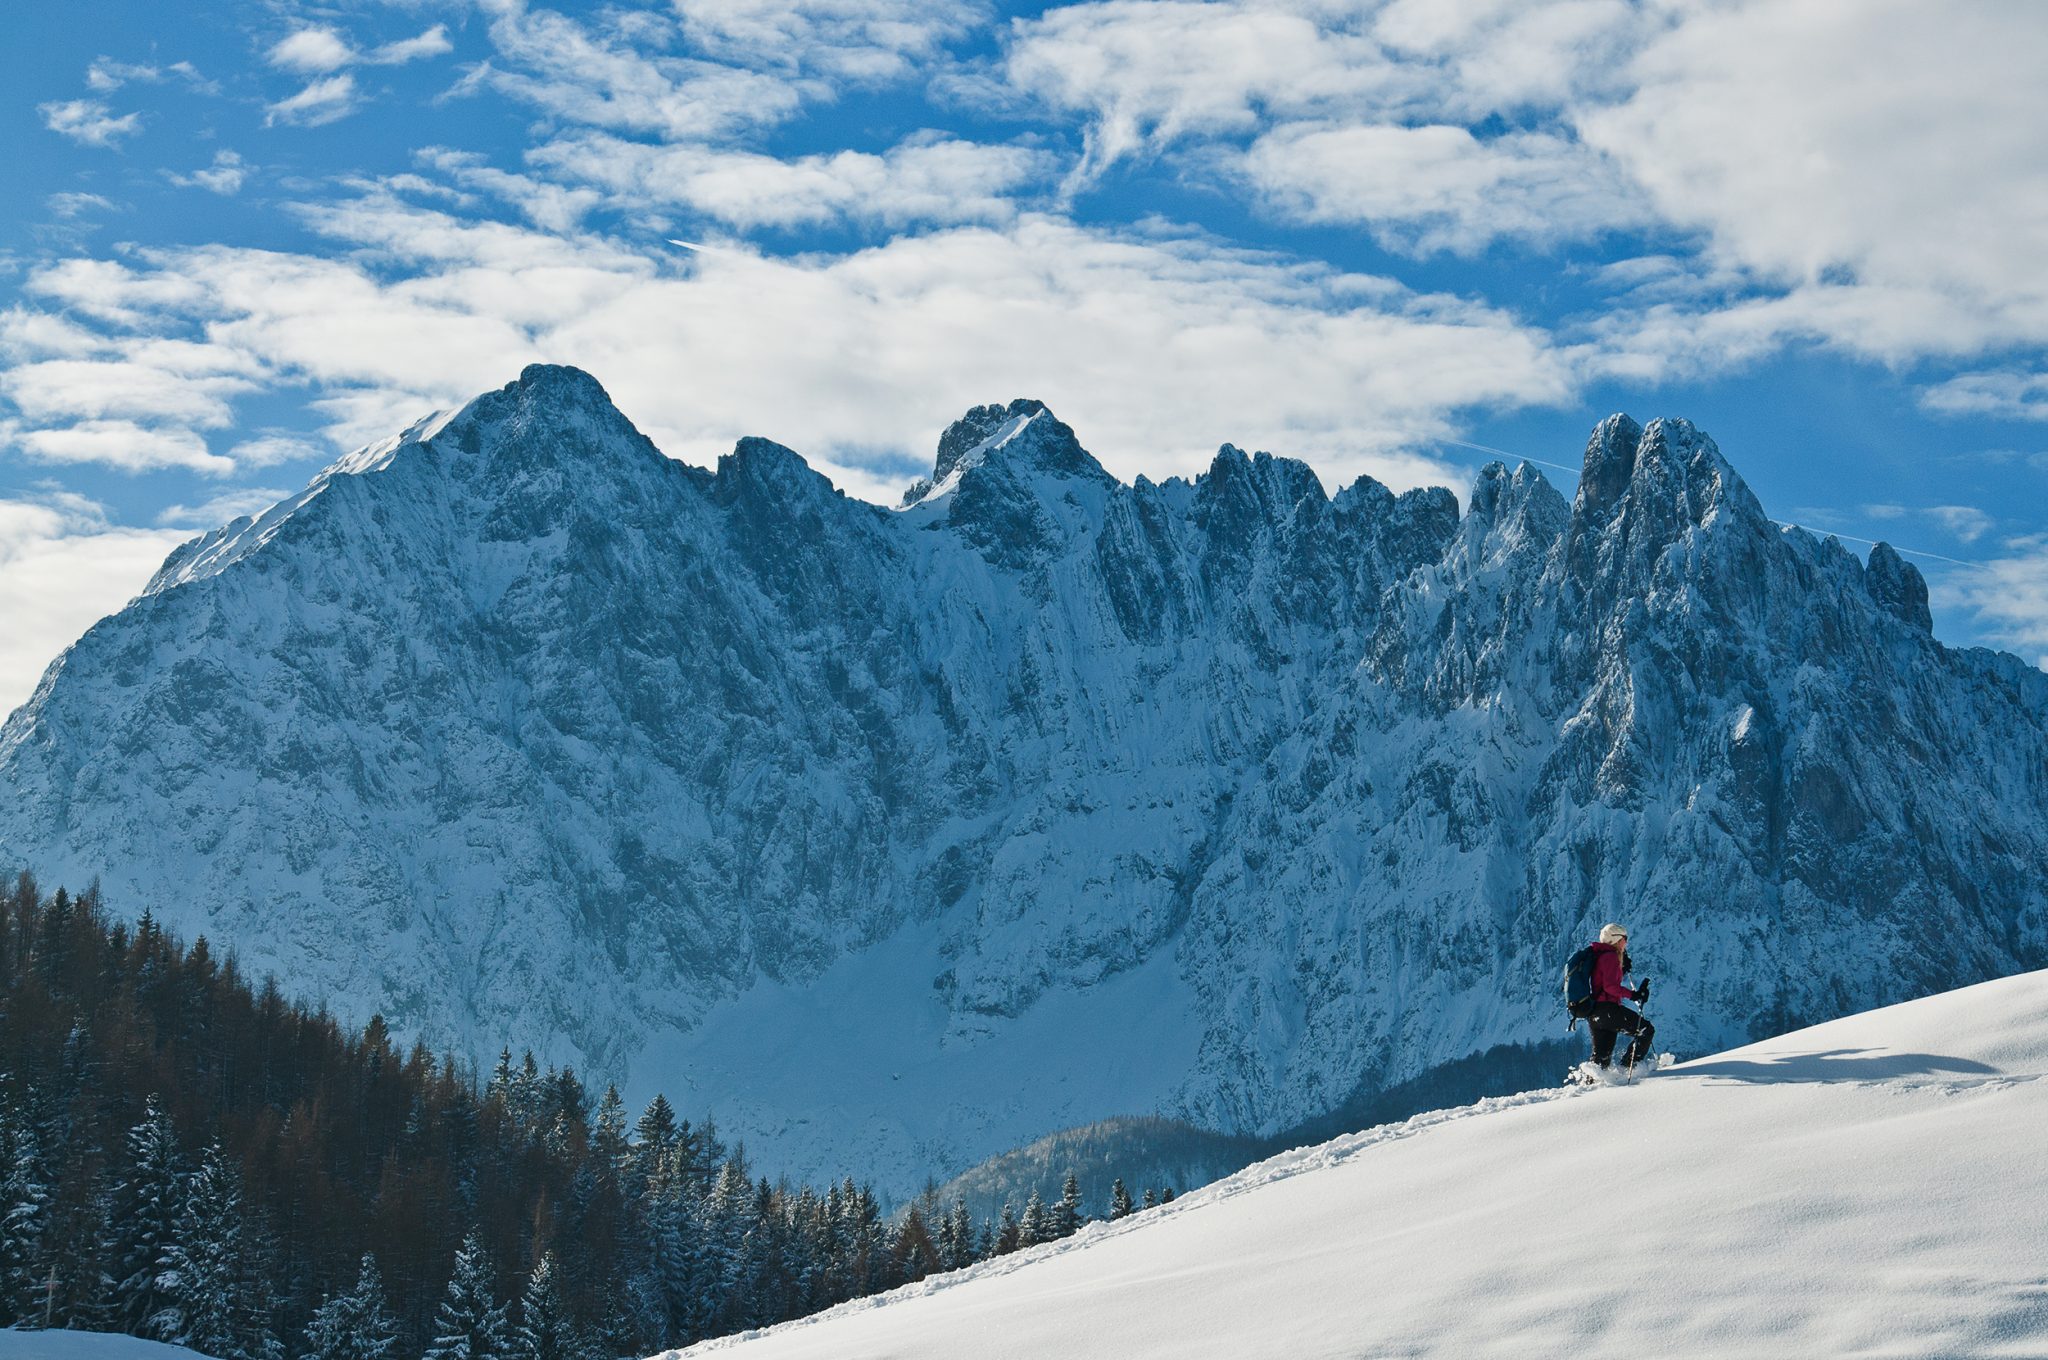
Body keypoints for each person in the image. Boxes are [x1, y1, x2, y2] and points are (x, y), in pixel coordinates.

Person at [1569, 923, 1654, 1068]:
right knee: (1646, 1030)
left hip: (1595, 1013)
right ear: (1615, 939)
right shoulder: (1610, 957)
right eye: (1624, 938)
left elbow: (1603, 979)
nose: (1626, 942)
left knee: (1601, 1060)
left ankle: (1591, 1086)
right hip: (1608, 1010)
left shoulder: (1600, 955)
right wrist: (1633, 995)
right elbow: (1610, 987)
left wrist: (1621, 967)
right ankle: (1628, 1069)